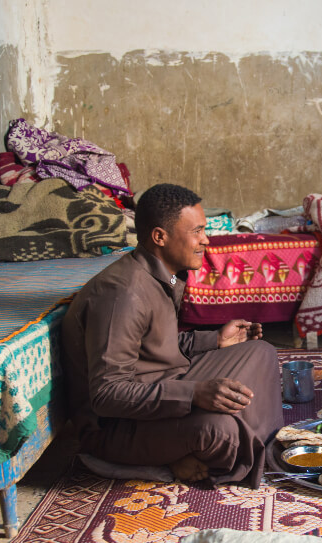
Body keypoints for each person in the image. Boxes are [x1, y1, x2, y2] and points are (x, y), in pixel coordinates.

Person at [61, 183, 284, 487]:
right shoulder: (122, 295)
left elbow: (153, 348)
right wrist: (195, 394)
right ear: (159, 237)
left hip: (162, 384)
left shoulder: (159, 275)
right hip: (114, 428)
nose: (205, 240)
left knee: (261, 353)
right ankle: (187, 453)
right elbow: (106, 395)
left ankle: (235, 441)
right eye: (197, 232)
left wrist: (215, 340)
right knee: (220, 431)